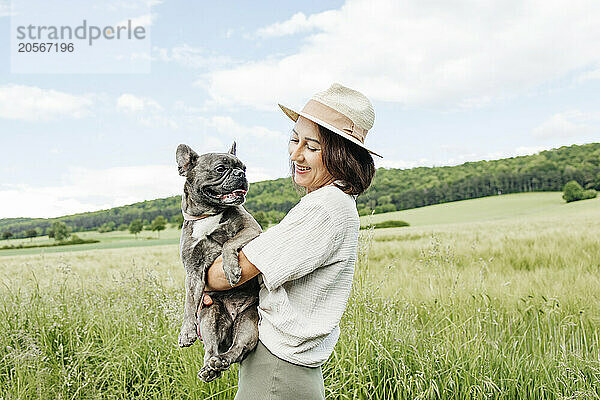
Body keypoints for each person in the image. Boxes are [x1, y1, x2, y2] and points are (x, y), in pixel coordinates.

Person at [203, 83, 382, 399]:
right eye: (294, 139)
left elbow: (232, 272)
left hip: (276, 370)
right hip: (291, 368)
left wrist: (199, 278)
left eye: (312, 147)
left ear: (342, 154)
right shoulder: (339, 203)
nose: (296, 154)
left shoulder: (324, 208)